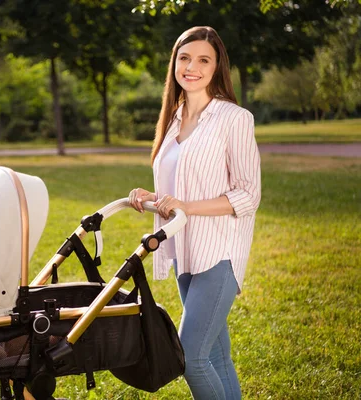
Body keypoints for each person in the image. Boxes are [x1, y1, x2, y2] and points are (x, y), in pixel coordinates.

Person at [128, 26, 261, 400]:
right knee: (216, 355)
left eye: (204, 59)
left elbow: (248, 195)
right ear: (174, 63)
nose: (192, 67)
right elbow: (180, 193)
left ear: (217, 67)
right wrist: (151, 197)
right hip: (185, 253)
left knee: (190, 355)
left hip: (219, 254)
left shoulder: (234, 118)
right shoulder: (172, 121)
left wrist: (185, 207)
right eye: (185, 58)